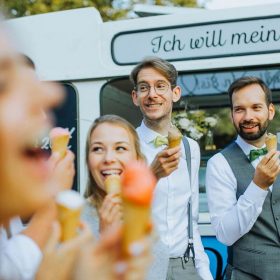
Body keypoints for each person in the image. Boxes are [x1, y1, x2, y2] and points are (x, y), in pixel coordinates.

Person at [0, 23, 151, 280]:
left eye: (121, 148)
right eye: (6, 87)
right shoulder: (72, 221)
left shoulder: (149, 226)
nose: (51, 96)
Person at [130, 57, 212, 280]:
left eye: (160, 86)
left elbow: (191, 218)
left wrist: (204, 273)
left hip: (183, 266)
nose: (152, 94)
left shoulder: (190, 148)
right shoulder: (124, 146)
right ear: (135, 97)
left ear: (175, 93)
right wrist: (150, 175)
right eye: (144, 87)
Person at [206, 76, 280, 279]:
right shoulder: (219, 164)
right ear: (232, 115)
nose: (248, 116)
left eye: (256, 107)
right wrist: (258, 186)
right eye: (240, 109)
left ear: (270, 111)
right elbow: (225, 234)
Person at [82, 114, 169, 280]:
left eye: (120, 148)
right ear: (88, 160)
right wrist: (106, 242)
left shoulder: (145, 213)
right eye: (97, 149)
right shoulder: (74, 220)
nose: (109, 159)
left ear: (137, 159)